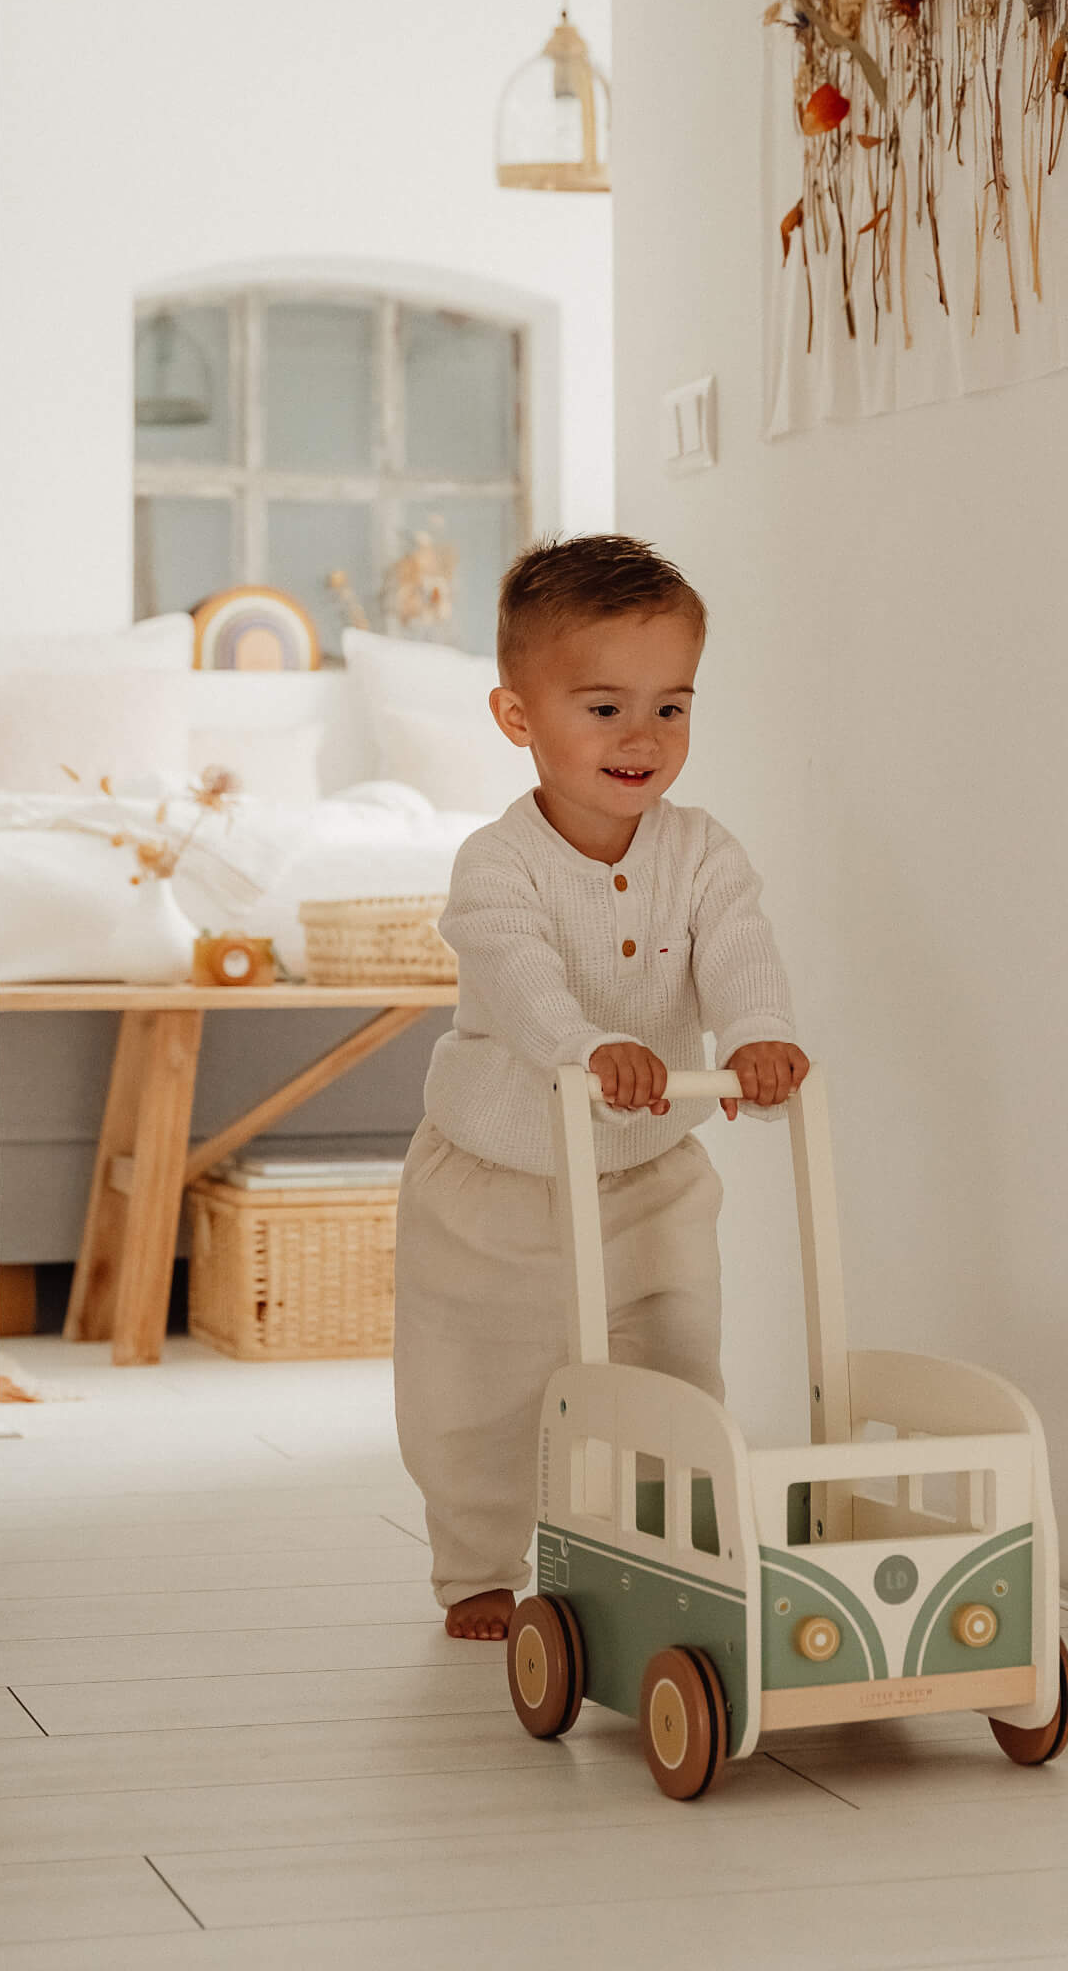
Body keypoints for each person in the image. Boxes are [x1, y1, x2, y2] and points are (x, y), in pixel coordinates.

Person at [394, 534, 808, 1639]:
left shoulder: (703, 851)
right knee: (474, 1389)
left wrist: (760, 1033)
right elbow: (523, 982)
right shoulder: (496, 864)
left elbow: (737, 948)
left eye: (670, 708)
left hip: (646, 1173)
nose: (642, 738)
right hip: (497, 1183)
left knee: (673, 1368)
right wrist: (587, 1048)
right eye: (603, 708)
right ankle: (475, 1561)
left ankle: (662, 1552)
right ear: (517, 717)